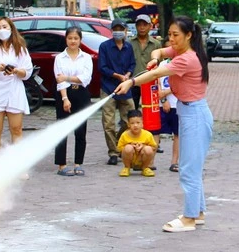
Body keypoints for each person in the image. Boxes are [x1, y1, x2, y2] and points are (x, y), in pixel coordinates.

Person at [114, 16, 212, 233]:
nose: (171, 39)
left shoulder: (187, 59)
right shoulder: (180, 51)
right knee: (192, 168)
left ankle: (189, 218)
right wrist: (155, 56)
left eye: (176, 35)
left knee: (188, 169)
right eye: (170, 35)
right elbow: (160, 53)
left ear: (189, 35)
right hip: (188, 113)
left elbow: (157, 74)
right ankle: (199, 212)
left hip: (195, 115)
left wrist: (131, 82)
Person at [0, 17, 32, 154]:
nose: (2, 30)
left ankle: (17, 166)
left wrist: (15, 70)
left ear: (11, 29)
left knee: (16, 129)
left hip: (14, 90)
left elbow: (27, 72)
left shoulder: (20, 49)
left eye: (5, 27)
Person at [53, 27, 92, 176]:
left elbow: (85, 79)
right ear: (66, 39)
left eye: (76, 38)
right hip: (64, 94)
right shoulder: (59, 58)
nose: (73, 41)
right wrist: (64, 98)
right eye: (70, 38)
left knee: (81, 131)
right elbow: (59, 79)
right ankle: (61, 165)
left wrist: (67, 78)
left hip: (81, 93)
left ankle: (78, 163)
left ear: (80, 40)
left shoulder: (86, 57)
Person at [98, 20, 136, 165]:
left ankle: (120, 145)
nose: (118, 31)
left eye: (121, 29)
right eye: (116, 29)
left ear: (126, 30)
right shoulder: (105, 46)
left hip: (125, 89)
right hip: (108, 88)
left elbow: (133, 63)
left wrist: (128, 74)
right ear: (111, 30)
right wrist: (117, 75)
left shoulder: (129, 47)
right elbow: (102, 67)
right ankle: (113, 152)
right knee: (108, 123)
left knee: (129, 121)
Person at [129, 14, 162, 110]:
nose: (142, 27)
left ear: (150, 26)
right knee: (131, 110)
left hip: (150, 81)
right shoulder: (129, 42)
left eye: (145, 24)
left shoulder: (156, 44)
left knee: (150, 109)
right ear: (136, 26)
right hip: (133, 81)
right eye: (139, 25)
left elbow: (160, 64)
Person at [117, 109, 158, 177]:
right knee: (128, 148)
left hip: (142, 158)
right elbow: (119, 148)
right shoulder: (124, 135)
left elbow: (154, 147)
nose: (135, 125)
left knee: (148, 149)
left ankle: (145, 168)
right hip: (129, 157)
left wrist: (143, 146)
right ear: (128, 124)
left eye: (138, 123)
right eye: (132, 123)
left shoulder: (148, 134)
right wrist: (131, 146)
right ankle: (127, 167)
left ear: (142, 123)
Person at [157, 61, 180, 172]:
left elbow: (182, 83)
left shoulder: (184, 62)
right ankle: (149, 162)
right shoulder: (162, 64)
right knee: (155, 132)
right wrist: (163, 99)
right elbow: (157, 81)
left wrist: (165, 93)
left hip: (178, 103)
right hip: (161, 104)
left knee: (178, 134)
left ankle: (174, 162)